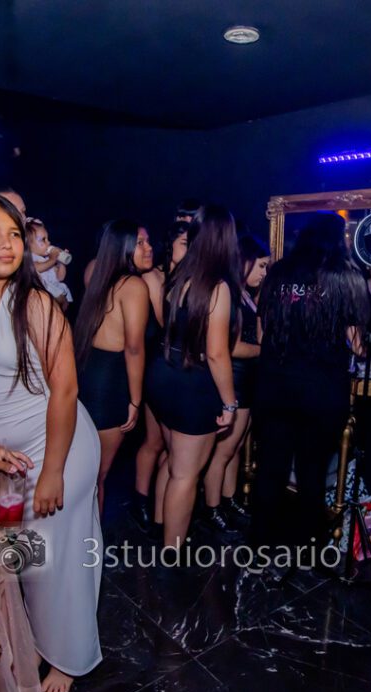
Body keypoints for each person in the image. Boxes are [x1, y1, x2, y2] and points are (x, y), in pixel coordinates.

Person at [0, 193, 102, 692]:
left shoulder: (34, 303)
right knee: (22, 558)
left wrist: (53, 470)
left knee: (61, 561)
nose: (8, 243)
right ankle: (35, 637)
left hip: (60, 447)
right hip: (7, 463)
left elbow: (66, 389)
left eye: (14, 233)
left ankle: (70, 656)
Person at [250, 214, 368, 568]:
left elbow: (262, 335)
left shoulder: (278, 273)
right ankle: (309, 550)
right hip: (321, 391)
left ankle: (259, 544)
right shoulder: (346, 277)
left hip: (275, 385)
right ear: (338, 239)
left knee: (270, 468)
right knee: (312, 472)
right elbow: (357, 344)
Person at [145, 205, 240, 548]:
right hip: (190, 384)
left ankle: (160, 526)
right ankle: (172, 551)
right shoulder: (216, 286)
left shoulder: (178, 274)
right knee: (185, 475)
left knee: (174, 463)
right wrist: (229, 403)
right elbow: (216, 353)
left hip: (162, 374)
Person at [74, 219, 152, 516]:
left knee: (81, 470)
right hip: (110, 383)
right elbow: (134, 347)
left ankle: (77, 536)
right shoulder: (134, 286)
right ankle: (90, 540)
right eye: (140, 243)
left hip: (85, 370)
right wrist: (135, 400)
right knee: (97, 476)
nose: (149, 248)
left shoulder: (93, 269)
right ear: (123, 247)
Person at [200, 233, 269, 533]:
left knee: (236, 447)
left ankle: (228, 501)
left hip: (248, 378)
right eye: (261, 266)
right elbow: (232, 347)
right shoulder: (229, 293)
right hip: (236, 379)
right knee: (224, 451)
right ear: (245, 261)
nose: (264, 273)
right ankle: (212, 508)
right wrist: (264, 351)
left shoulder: (244, 294)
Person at [131, 222, 187, 533]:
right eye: (184, 243)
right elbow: (167, 325)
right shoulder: (153, 277)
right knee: (154, 443)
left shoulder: (184, 278)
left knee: (169, 448)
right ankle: (141, 501)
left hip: (172, 369)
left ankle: (160, 511)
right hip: (156, 366)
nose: (190, 248)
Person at [26, 217, 73, 310]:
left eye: (47, 238)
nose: (48, 242)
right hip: (43, 298)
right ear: (28, 245)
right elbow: (36, 268)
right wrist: (52, 260)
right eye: (43, 240)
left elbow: (60, 277)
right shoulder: (30, 259)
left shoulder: (47, 260)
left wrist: (61, 263)